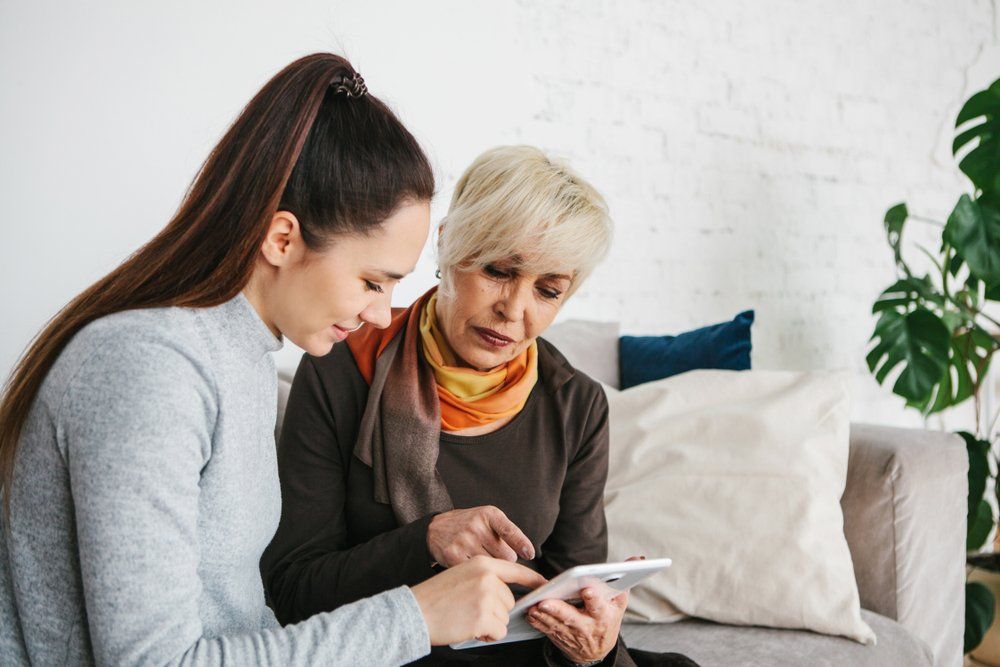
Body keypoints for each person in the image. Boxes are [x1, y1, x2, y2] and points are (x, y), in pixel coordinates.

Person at [0, 54, 544, 666]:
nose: (381, 314)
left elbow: (242, 620)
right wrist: (415, 617)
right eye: (371, 281)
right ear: (281, 240)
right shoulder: (150, 367)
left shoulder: (242, 354)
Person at [262, 146, 698, 667]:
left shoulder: (576, 405)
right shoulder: (340, 369)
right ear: (446, 246)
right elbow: (292, 589)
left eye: (548, 290)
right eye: (498, 270)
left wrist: (595, 645)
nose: (513, 310)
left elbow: (571, 594)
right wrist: (426, 540)